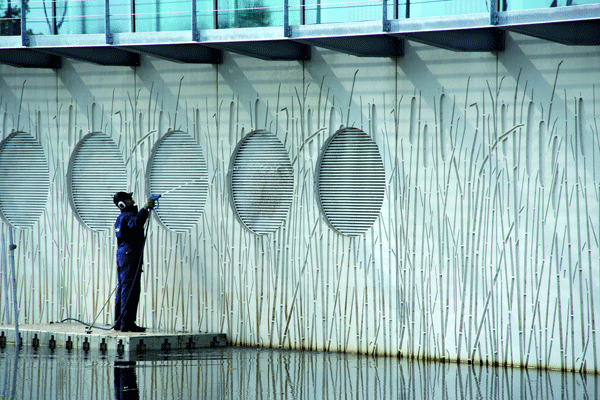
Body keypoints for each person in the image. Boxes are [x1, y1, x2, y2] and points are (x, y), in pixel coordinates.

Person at [112, 191, 156, 332]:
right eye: (128, 198)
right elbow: (136, 223)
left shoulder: (120, 218)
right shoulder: (128, 216)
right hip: (130, 256)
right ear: (122, 203)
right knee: (130, 290)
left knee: (123, 288)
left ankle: (119, 322)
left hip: (123, 255)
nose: (132, 200)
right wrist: (145, 208)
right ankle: (127, 323)